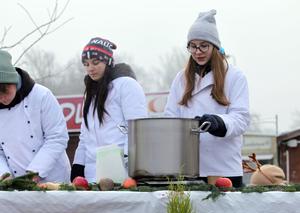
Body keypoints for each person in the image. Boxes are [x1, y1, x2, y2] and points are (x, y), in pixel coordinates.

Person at [164, 9, 250, 188]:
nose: (198, 51)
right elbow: (170, 118)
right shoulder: (180, 79)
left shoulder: (234, 77)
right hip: (188, 168)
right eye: (193, 46)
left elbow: (241, 118)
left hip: (223, 169)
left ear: (215, 46)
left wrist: (219, 122)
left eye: (204, 45)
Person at [71, 37, 148, 182]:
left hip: (121, 173)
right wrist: (78, 166)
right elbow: (85, 136)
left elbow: (137, 128)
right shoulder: (91, 92)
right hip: (92, 175)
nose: (90, 68)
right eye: (86, 64)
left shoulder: (126, 85)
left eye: (95, 62)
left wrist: (130, 165)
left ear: (108, 62)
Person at [0, 50, 71, 183]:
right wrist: (4, 176)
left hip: (53, 180)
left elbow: (57, 137)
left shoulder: (41, 96)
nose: (2, 99)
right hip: (16, 186)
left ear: (13, 81)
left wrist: (34, 173)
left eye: (4, 91)